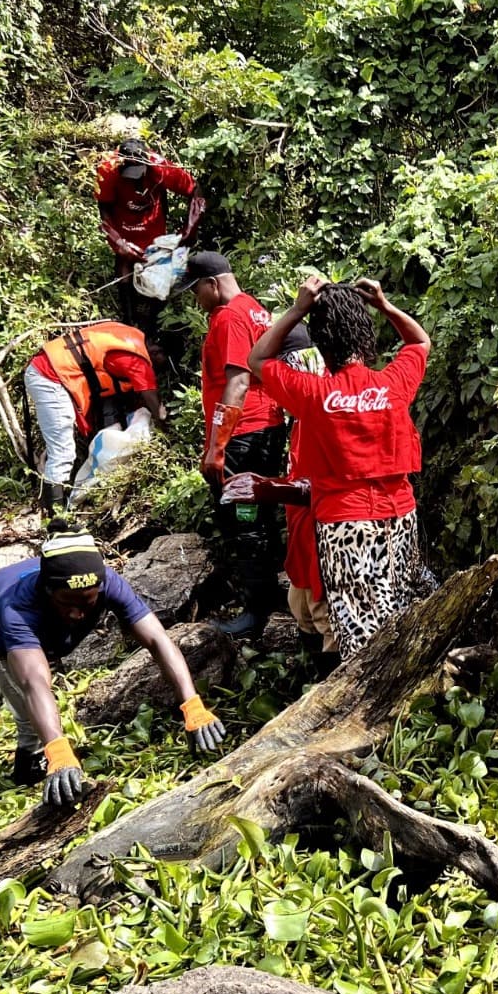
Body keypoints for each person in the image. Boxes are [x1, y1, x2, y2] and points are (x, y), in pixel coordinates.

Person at [0, 527, 227, 806]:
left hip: (43, 633)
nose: (78, 613)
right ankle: (26, 777)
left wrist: (192, 706)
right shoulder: (17, 610)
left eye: (88, 602)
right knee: (26, 707)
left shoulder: (108, 582)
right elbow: (33, 683)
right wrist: (58, 752)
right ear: (48, 590)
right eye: (68, 603)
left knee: (11, 679)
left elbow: (158, 640)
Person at [248, 276, 437, 656]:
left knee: (359, 631)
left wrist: (298, 308)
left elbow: (257, 359)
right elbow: (419, 341)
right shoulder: (393, 384)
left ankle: (370, 705)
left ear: (320, 342)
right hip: (400, 517)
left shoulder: (313, 393)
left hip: (344, 524)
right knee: (399, 614)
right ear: (365, 335)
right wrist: (384, 304)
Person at [224, 328, 340, 678]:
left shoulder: (323, 410)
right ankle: (308, 677)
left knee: (322, 613)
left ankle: (331, 689)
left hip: (322, 531)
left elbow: (324, 484)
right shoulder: (301, 418)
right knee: (300, 605)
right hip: (302, 532)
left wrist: (267, 489)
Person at [187, 252, 288, 638]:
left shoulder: (229, 316)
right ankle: (271, 598)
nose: (196, 298)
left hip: (244, 435)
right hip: (263, 428)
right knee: (257, 516)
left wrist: (217, 446)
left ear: (212, 283)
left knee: (242, 519)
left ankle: (256, 613)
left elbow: (238, 381)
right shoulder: (254, 310)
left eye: (196, 289)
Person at [23, 321, 164, 514]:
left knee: (62, 452)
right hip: (48, 376)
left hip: (48, 370)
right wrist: (165, 428)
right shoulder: (136, 358)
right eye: (162, 362)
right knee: (62, 452)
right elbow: (151, 397)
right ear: (156, 352)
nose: (158, 369)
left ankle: (56, 511)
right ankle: (55, 520)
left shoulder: (131, 338)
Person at [95, 137, 206, 367]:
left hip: (153, 224)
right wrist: (119, 241)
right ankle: (128, 320)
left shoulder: (162, 168)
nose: (135, 179)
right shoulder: (107, 168)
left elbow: (195, 189)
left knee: (158, 271)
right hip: (124, 224)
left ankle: (151, 322)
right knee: (124, 265)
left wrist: (190, 227)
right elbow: (103, 209)